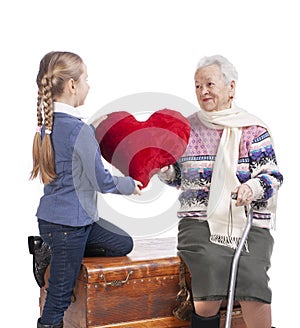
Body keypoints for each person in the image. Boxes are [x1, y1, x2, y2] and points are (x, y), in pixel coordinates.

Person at [158, 55, 283, 328]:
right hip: (199, 221)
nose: (203, 91)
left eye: (210, 84)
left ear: (231, 87)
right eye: (198, 86)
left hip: (247, 223)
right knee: (210, 273)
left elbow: (271, 177)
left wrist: (251, 188)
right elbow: (180, 178)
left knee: (252, 281)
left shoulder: (253, 130)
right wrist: (164, 169)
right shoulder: (186, 129)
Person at [29, 51, 143, 328]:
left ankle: (53, 252)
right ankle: (57, 256)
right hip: (69, 226)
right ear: (71, 85)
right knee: (58, 298)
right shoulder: (78, 130)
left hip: (69, 222)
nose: (88, 85)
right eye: (86, 79)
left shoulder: (49, 125)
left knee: (123, 244)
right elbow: (101, 181)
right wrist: (130, 185)